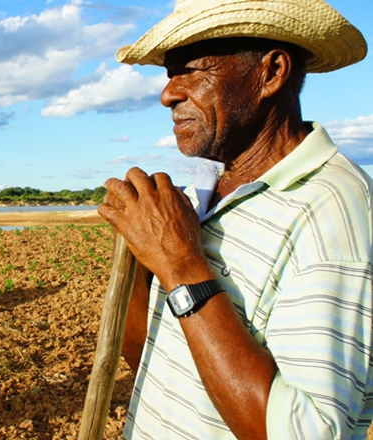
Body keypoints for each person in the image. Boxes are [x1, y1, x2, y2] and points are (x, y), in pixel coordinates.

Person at [97, 0, 372, 439]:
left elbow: (306, 432)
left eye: (192, 70)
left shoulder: (332, 212)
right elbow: (152, 359)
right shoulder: (200, 191)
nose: (168, 93)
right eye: (170, 74)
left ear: (272, 73)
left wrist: (181, 266)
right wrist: (140, 251)